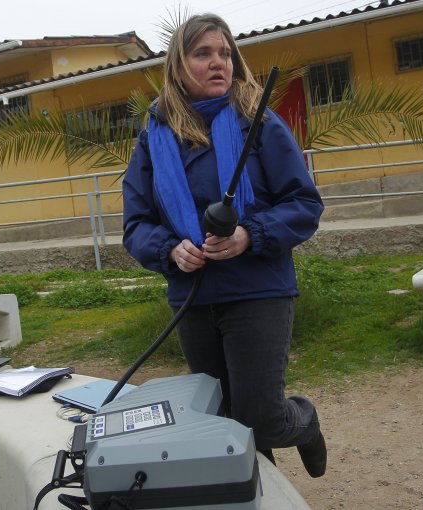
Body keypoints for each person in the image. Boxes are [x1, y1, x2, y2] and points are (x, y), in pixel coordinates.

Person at [122, 13, 327, 477]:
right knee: (225, 420)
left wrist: (250, 235)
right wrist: (170, 249)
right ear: (178, 66)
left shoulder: (260, 123)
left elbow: (304, 203)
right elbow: (135, 224)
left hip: (258, 290)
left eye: (225, 53)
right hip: (192, 300)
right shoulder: (153, 139)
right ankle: (260, 495)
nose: (219, 63)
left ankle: (306, 422)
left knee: (261, 417)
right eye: (203, 54)